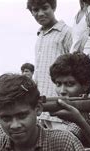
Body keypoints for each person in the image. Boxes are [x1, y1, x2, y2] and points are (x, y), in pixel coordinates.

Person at [27, 0, 72, 129]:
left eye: (45, 8)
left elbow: (77, 69)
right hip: (43, 107)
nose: (40, 13)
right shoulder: (40, 35)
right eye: (35, 10)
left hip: (60, 106)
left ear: (53, 7)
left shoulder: (66, 32)